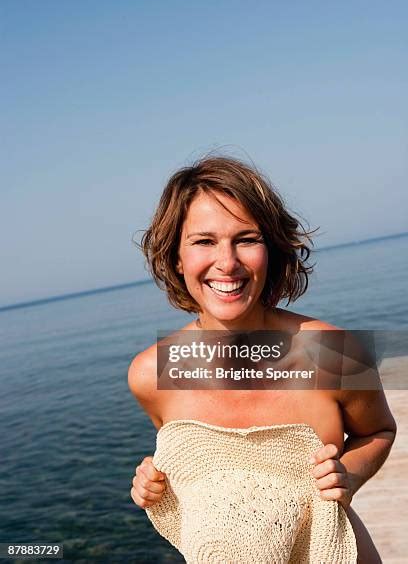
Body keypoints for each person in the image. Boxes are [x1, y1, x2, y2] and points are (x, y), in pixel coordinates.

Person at [128, 154, 396, 563]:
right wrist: (154, 486)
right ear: (176, 258)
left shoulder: (333, 353)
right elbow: (199, 475)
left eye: (246, 239)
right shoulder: (150, 374)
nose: (228, 263)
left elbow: (378, 431)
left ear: (271, 249)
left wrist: (350, 473)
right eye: (204, 241)